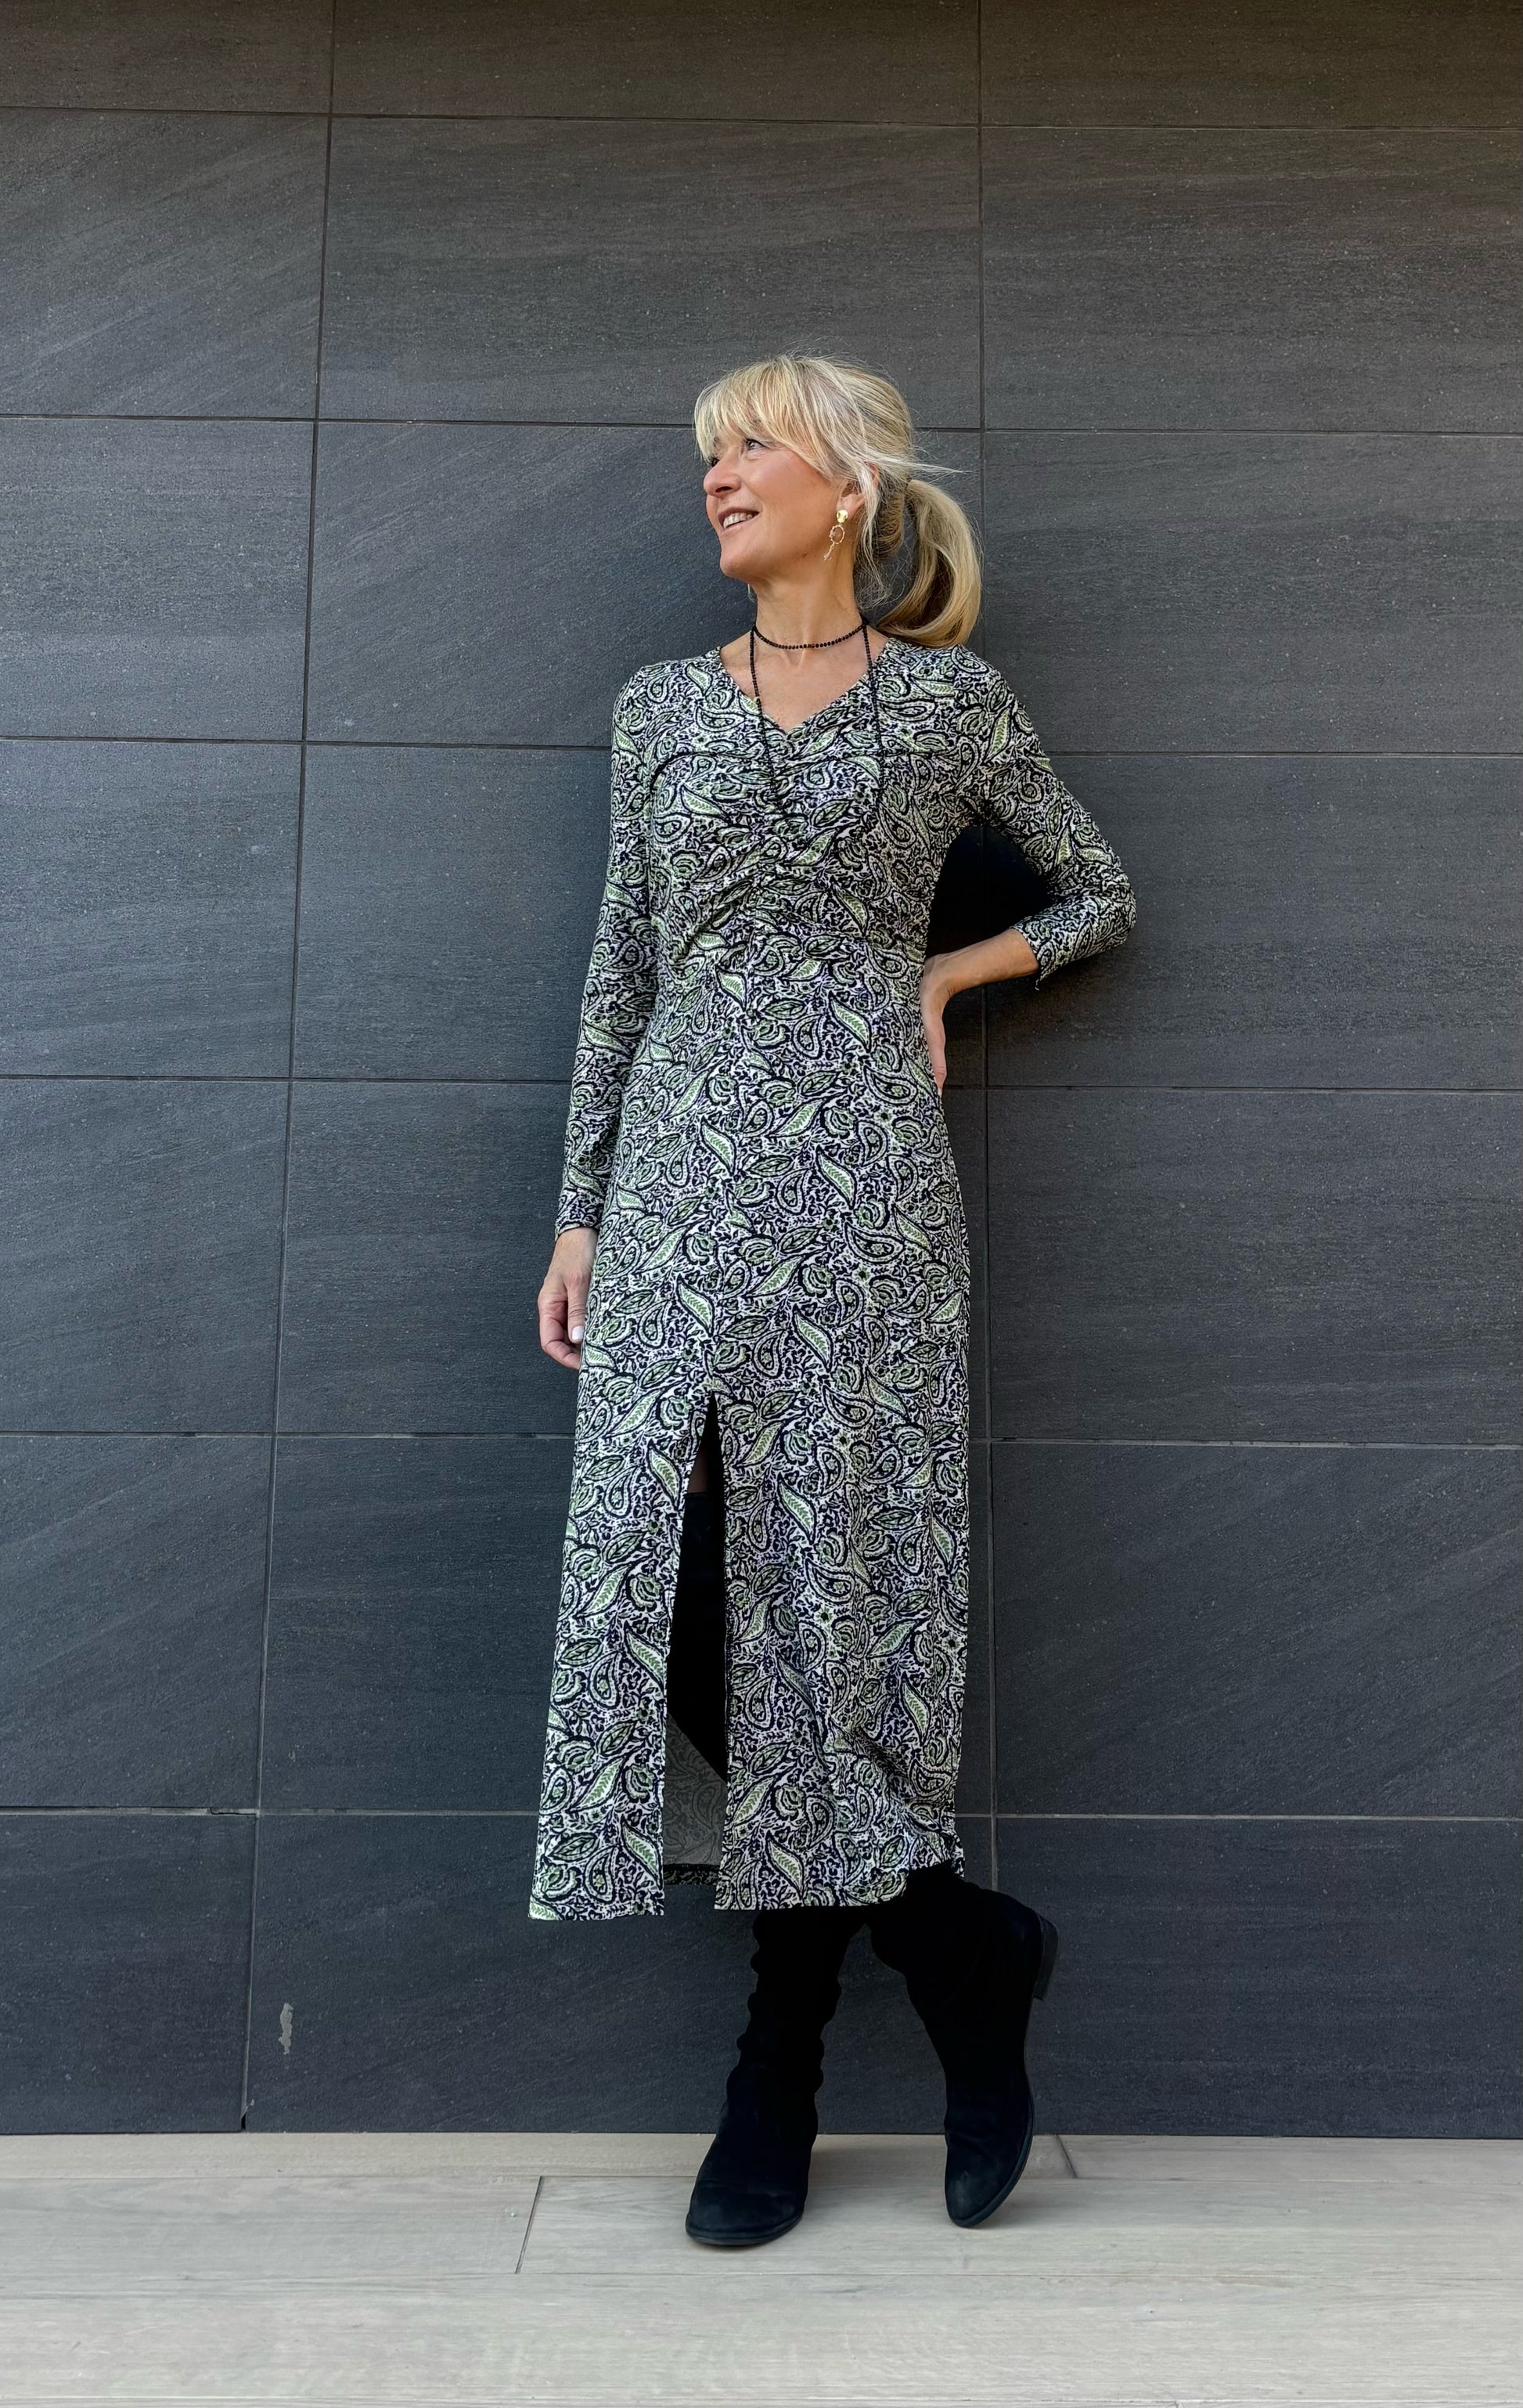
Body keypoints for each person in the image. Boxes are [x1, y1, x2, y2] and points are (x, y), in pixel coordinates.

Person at [534, 353, 1135, 2248]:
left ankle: (775, 2070)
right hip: (677, 1190)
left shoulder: (949, 703)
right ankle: (956, 1941)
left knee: (828, 1597)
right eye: (708, 454)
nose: (717, 476)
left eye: (751, 447)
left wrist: (946, 974)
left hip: (866, 1193)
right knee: (675, 1593)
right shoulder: (656, 709)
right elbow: (620, 967)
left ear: (848, 483)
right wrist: (579, 1213)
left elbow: (1098, 891)